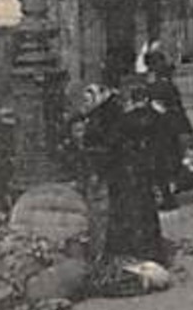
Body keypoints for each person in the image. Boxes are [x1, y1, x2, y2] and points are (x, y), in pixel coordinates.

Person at [68, 83, 164, 263]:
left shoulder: (103, 116)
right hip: (129, 170)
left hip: (123, 171)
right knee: (135, 211)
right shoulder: (110, 112)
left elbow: (108, 144)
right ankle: (144, 251)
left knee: (127, 211)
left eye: (88, 99)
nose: (85, 103)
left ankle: (133, 253)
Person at [140, 44, 192, 209]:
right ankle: (167, 191)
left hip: (164, 125)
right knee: (167, 158)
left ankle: (166, 192)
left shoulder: (158, 85)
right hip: (165, 126)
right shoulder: (161, 84)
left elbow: (172, 106)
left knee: (165, 158)